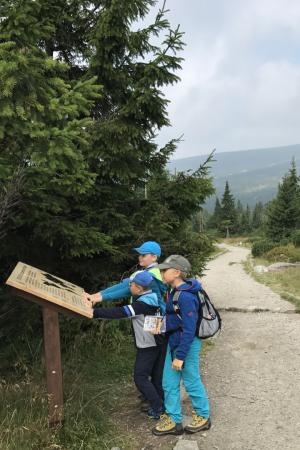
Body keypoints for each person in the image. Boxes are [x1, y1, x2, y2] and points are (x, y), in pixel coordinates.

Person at [86, 271, 165, 418]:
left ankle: (158, 406)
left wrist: (93, 312)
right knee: (155, 377)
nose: (129, 287)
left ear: (139, 288)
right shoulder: (151, 297)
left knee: (140, 377)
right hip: (156, 343)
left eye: (131, 285)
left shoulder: (143, 304)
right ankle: (160, 403)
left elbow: (120, 312)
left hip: (149, 345)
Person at [152, 255, 210, 436]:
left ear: (177, 272)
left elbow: (189, 329)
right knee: (168, 383)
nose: (161, 273)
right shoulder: (173, 291)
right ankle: (174, 420)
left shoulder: (185, 296)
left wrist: (180, 356)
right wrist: (160, 326)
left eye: (164, 270)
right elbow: (176, 318)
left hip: (186, 346)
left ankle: (203, 416)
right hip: (174, 344)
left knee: (192, 381)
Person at [85, 241, 166, 314]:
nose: (139, 257)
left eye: (143, 255)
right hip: (145, 315)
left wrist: (98, 298)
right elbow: (124, 285)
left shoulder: (151, 276)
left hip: (153, 318)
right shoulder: (147, 272)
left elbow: (128, 290)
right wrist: (95, 295)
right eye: (140, 254)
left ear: (154, 257)